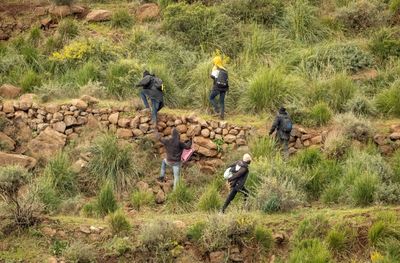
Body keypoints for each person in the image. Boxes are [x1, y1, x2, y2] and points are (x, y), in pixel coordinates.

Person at [209, 56, 229, 120]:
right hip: (224, 87)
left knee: (211, 98)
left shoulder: (215, 68)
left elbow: (212, 76)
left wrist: (213, 70)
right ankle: (222, 116)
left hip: (217, 87)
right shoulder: (224, 69)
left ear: (215, 61)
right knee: (222, 101)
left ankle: (217, 109)